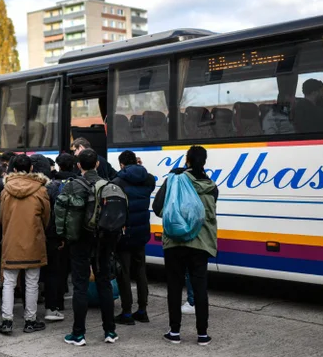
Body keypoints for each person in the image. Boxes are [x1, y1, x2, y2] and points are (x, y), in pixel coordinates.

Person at [152, 145, 218, 346]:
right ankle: (202, 334)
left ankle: (174, 332)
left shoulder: (174, 180)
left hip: (175, 242)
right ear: (204, 162)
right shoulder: (212, 187)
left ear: (187, 160)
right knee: (200, 288)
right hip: (201, 242)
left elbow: (157, 208)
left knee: (174, 286)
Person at [59, 148, 118, 346]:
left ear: (78, 165)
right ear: (98, 164)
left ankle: (78, 334)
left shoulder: (73, 186)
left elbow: (61, 214)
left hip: (80, 240)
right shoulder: (108, 185)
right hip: (103, 240)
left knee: (80, 285)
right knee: (104, 282)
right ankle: (110, 331)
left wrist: (63, 237)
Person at [0, 154, 50, 335]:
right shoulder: (41, 190)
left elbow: (2, 217)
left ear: (13, 169)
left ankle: (7, 321)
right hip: (33, 240)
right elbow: (46, 217)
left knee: (9, 282)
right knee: (32, 282)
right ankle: (30, 320)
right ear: (31, 169)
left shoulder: (6, 190)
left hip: (11, 240)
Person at [111, 151, 155, 325]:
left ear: (121, 164)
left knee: (124, 274)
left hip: (124, 234)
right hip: (141, 233)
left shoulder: (118, 181)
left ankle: (127, 312)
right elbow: (150, 179)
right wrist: (140, 167)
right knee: (141, 271)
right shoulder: (148, 180)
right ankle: (142, 310)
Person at [29, 154, 66, 322]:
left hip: (29, 235)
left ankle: (28, 309)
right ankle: (52, 307)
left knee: (29, 273)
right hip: (50, 236)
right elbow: (58, 214)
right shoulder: (51, 188)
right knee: (52, 272)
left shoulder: (24, 187)